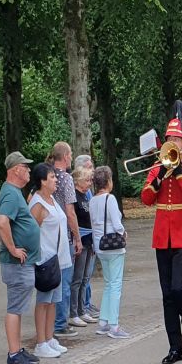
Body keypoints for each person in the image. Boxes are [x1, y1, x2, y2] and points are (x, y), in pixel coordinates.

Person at [140, 102, 182, 364]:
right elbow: (145, 198)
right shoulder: (157, 167)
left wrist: (177, 172)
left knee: (179, 288)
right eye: (169, 139)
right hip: (162, 235)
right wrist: (157, 179)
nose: (172, 142)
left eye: (176, 138)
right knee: (167, 294)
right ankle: (174, 347)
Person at [0, 152, 41, 364]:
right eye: (26, 167)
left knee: (18, 307)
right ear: (16, 170)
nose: (29, 171)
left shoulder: (14, 192)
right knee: (15, 308)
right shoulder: (11, 194)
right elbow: (2, 221)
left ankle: (17, 349)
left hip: (21, 263)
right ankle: (13, 355)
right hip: (16, 264)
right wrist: (13, 249)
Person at [28, 163, 73, 359]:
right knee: (44, 301)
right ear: (42, 181)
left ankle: (49, 337)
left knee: (54, 300)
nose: (56, 180)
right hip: (45, 259)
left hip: (58, 259)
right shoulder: (38, 204)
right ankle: (41, 342)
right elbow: (30, 233)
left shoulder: (52, 198)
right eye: (52, 177)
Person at [89, 166, 129, 339]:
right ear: (108, 181)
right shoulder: (110, 199)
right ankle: (114, 325)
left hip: (100, 245)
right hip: (113, 246)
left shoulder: (92, 200)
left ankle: (104, 322)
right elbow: (116, 222)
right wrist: (122, 232)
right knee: (115, 285)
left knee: (108, 283)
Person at [46, 142, 81, 339]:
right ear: (66, 156)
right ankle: (61, 323)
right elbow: (70, 212)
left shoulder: (47, 176)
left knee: (53, 280)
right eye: (71, 154)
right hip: (64, 235)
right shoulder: (66, 178)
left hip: (49, 236)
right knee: (65, 280)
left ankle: (53, 322)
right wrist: (77, 237)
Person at [68, 165, 96, 327]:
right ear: (78, 181)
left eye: (91, 179)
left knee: (85, 278)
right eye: (87, 180)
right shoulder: (75, 196)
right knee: (77, 279)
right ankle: (73, 312)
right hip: (81, 239)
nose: (90, 183)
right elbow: (73, 218)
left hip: (90, 239)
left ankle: (82, 309)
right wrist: (77, 238)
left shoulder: (87, 195)